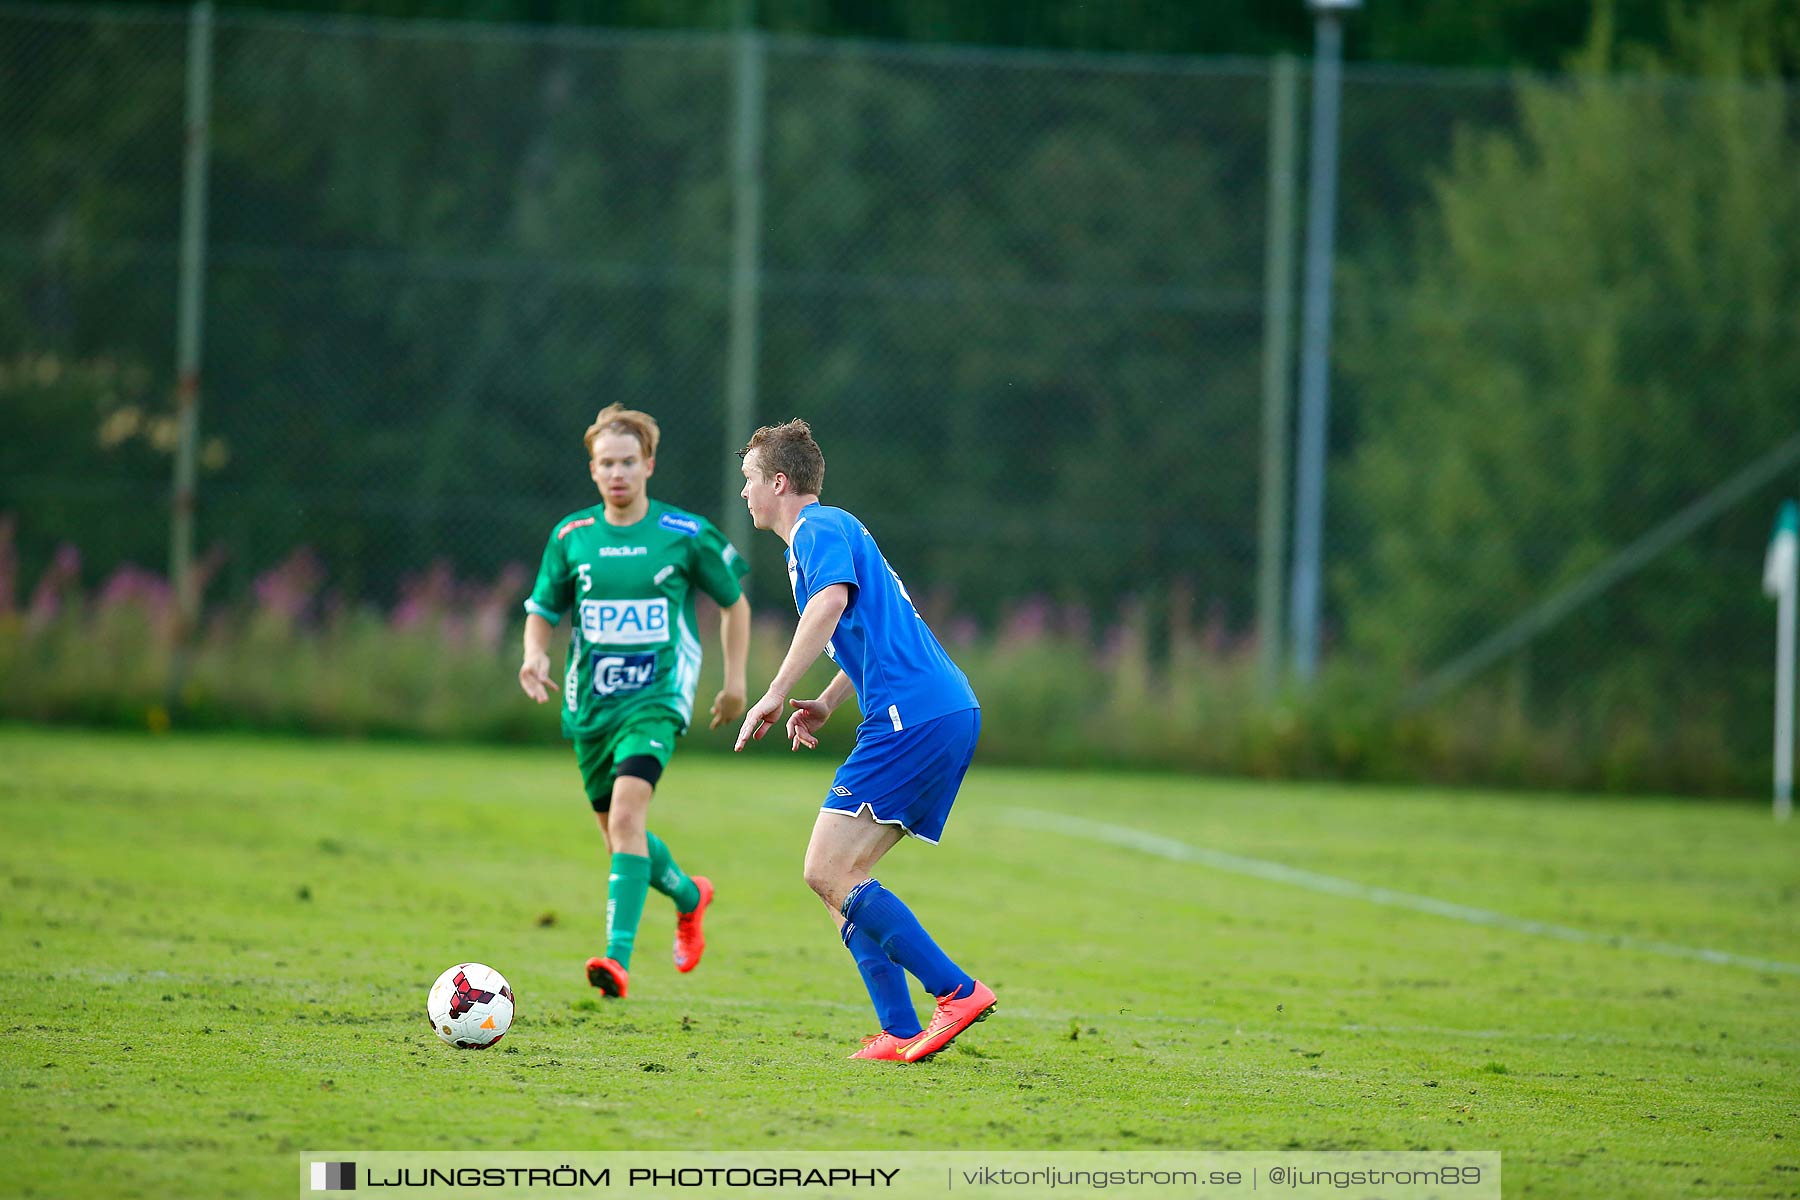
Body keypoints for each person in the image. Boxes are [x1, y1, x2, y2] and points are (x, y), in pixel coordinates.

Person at [733, 419, 994, 1063]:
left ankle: (955, 992)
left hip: (914, 715)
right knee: (841, 877)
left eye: (749, 482)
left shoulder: (816, 530)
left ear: (779, 482)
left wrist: (774, 690)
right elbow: (868, 630)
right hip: (938, 709)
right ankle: (900, 1029)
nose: (744, 495)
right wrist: (825, 700)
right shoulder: (835, 529)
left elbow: (829, 605)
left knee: (825, 870)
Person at [519, 404, 751, 999]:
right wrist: (535, 654)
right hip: (591, 707)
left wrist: (735, 682)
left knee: (626, 819)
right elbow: (544, 609)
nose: (617, 473)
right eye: (605, 463)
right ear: (593, 471)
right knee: (620, 838)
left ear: (648, 464)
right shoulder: (571, 537)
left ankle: (615, 961)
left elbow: (734, 603)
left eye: (628, 461)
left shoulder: (684, 533)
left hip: (656, 699)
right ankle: (689, 895)